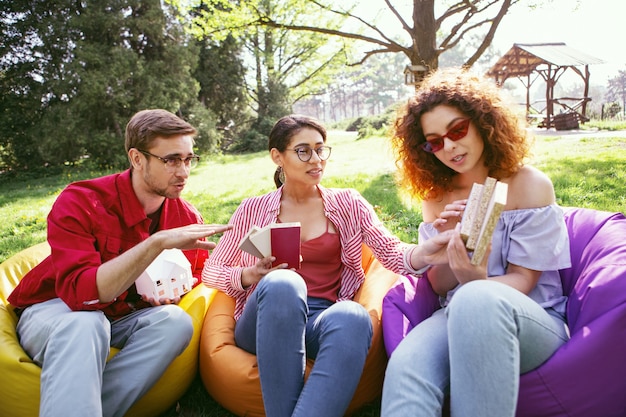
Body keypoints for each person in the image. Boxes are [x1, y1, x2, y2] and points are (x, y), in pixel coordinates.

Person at [202, 114, 453, 417]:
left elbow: (390, 252)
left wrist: (427, 250)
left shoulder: (348, 203)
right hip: (264, 319)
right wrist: (250, 274)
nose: (316, 159)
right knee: (284, 283)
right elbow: (211, 270)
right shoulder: (252, 209)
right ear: (277, 157)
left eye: (321, 149)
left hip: (318, 319)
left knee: (354, 316)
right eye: (303, 151)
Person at [8, 109, 231, 417]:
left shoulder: (186, 216)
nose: (183, 171)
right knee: (88, 323)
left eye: (189, 159)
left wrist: (172, 292)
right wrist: (155, 244)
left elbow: (198, 276)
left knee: (175, 322)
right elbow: (81, 295)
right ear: (137, 159)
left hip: (119, 317)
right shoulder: (82, 201)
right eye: (171, 160)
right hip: (55, 310)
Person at [380, 68, 572, 417]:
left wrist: (474, 280)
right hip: (455, 313)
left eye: (457, 130)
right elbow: (439, 286)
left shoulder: (528, 185)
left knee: (477, 298)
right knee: (408, 366)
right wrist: (452, 244)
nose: (449, 146)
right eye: (435, 141)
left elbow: (525, 281)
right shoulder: (437, 198)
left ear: (483, 122)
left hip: (532, 318)